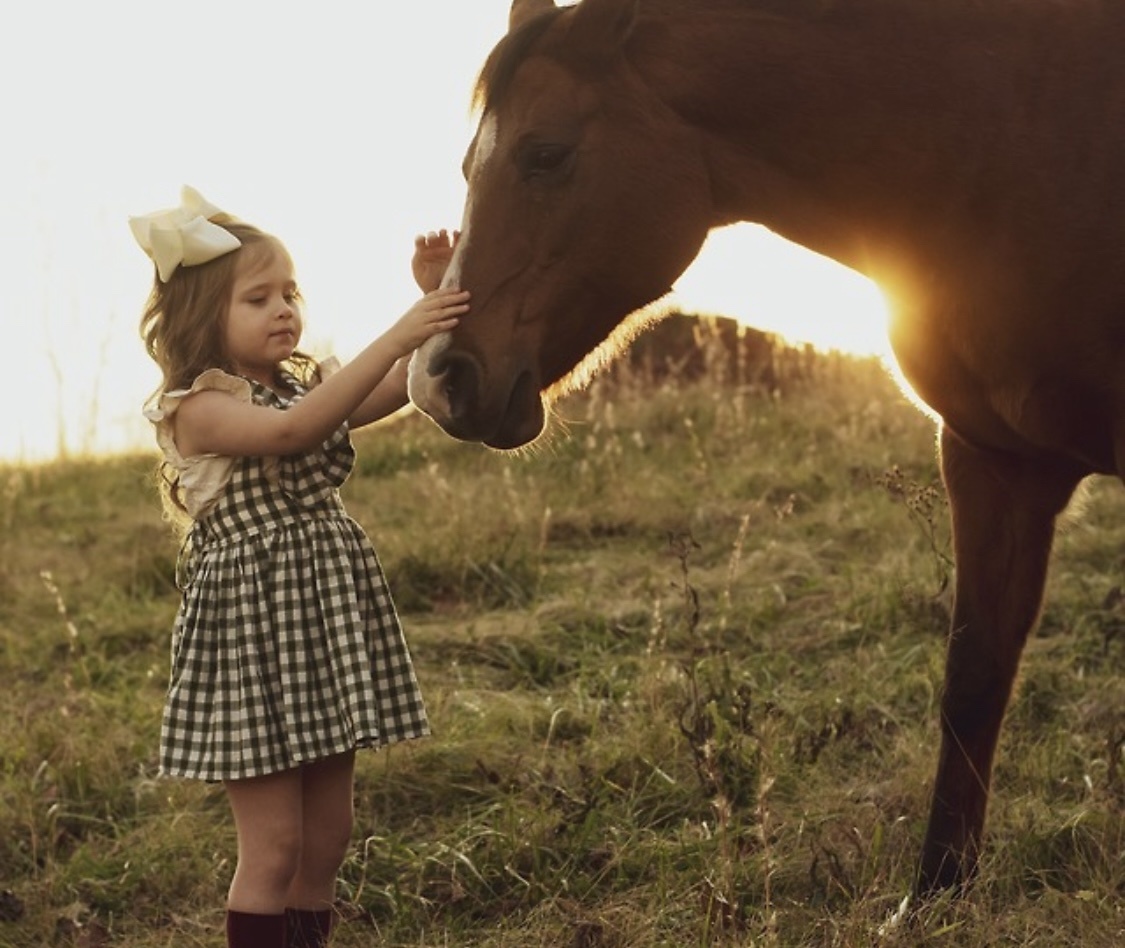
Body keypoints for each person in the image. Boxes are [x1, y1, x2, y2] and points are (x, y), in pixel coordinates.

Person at [132, 186, 468, 948]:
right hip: (253, 640)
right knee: (274, 846)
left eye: (290, 292)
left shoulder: (294, 385)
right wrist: (394, 334)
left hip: (319, 622)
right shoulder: (198, 407)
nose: (283, 308)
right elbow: (293, 434)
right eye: (258, 298)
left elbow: (392, 391)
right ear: (200, 317)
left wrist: (437, 301)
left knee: (328, 838)